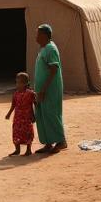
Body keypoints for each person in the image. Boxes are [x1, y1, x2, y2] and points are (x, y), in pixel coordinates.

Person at [33, 24, 67, 154]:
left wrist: (43, 89)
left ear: (44, 35)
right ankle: (49, 143)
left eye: (38, 34)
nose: (36, 37)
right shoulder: (43, 49)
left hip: (50, 89)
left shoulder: (51, 49)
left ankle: (61, 141)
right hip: (42, 89)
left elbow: (54, 70)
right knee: (43, 115)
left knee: (52, 114)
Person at [4, 72, 36, 156]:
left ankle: (28, 150)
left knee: (28, 132)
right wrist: (9, 114)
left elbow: (34, 104)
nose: (17, 84)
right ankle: (17, 150)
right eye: (17, 82)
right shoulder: (15, 94)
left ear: (26, 83)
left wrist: (34, 115)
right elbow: (13, 105)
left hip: (27, 117)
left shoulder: (30, 93)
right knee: (16, 132)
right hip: (18, 118)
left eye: (20, 82)